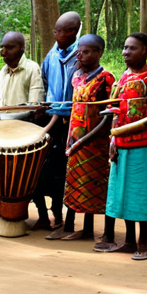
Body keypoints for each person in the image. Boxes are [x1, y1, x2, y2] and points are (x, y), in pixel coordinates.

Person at [99, 33, 147, 260]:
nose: (126, 52)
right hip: (122, 144)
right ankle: (128, 240)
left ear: (146, 51)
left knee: (142, 193)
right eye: (125, 48)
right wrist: (113, 140)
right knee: (125, 193)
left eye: (132, 48)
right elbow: (117, 113)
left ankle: (143, 243)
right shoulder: (123, 78)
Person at [45, 35, 114, 241]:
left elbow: (110, 111)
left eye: (87, 52)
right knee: (72, 183)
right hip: (74, 138)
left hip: (94, 141)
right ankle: (69, 226)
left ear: (99, 52)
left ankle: (89, 229)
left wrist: (99, 135)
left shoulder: (106, 78)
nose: (81, 56)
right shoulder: (77, 76)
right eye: (80, 52)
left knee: (90, 184)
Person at [34, 11, 81, 230]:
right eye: (56, 31)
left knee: (66, 171)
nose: (57, 35)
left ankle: (62, 217)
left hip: (74, 123)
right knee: (44, 169)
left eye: (62, 31)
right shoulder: (51, 56)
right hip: (52, 122)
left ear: (74, 32)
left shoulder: (82, 54)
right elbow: (44, 83)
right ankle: (46, 215)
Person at [0, 31, 45, 121]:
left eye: (9, 48)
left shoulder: (32, 69)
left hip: (24, 127)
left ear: (22, 48)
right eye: (2, 47)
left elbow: (35, 107)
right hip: (3, 127)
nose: (3, 52)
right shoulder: (2, 73)